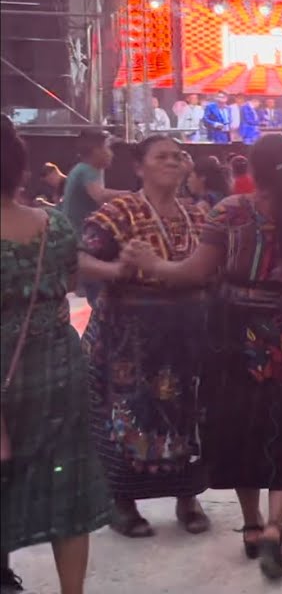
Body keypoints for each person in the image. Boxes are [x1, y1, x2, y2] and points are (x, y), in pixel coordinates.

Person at [122, 134, 282, 580]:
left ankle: (252, 523)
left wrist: (152, 263)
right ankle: (276, 527)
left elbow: (193, 272)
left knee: (243, 427)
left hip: (236, 335)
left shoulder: (231, 212)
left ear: (252, 171)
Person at [78, 135, 210, 539]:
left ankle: (188, 498)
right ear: (139, 167)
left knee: (188, 414)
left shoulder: (197, 215)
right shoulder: (118, 213)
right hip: (128, 337)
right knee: (127, 413)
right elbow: (78, 257)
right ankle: (122, 503)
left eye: (177, 156)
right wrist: (115, 270)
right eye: (161, 156)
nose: (171, 162)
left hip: (185, 334)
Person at [0, 117, 111, 594]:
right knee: (66, 483)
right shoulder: (56, 226)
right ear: (19, 169)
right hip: (57, 369)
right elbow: (68, 283)